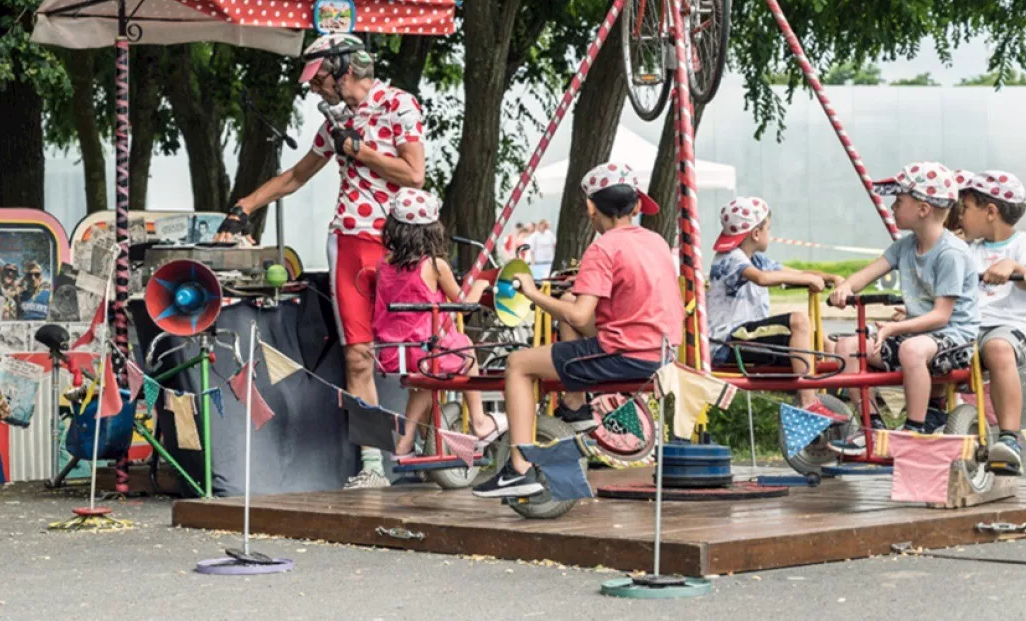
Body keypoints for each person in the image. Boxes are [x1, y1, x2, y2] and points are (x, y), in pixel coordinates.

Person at [219, 33, 425, 489]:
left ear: (343, 69)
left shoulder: (398, 104)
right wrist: (245, 205)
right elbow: (295, 176)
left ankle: (429, 444)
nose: (315, 88)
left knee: (418, 350)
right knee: (358, 356)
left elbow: (414, 174)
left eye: (320, 78)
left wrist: (360, 151)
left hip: (399, 242)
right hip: (349, 240)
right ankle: (373, 465)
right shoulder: (334, 124)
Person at [473, 163, 683, 498]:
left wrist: (532, 292)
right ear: (637, 206)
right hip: (661, 350)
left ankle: (518, 468)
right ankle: (575, 406)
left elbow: (580, 312)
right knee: (570, 302)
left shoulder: (602, 247)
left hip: (626, 354)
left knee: (518, 364)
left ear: (590, 207)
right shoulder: (655, 241)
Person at [828, 162, 979, 454]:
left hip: (954, 338)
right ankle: (870, 426)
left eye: (899, 201)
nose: (893, 207)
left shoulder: (951, 254)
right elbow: (869, 272)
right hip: (917, 336)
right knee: (848, 346)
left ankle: (915, 428)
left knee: (911, 350)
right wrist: (846, 287)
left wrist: (895, 327)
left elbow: (941, 316)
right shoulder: (904, 246)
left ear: (923, 209)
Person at [372, 188, 508, 459]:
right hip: (426, 350)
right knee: (466, 347)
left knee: (426, 380)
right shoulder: (435, 265)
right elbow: (464, 306)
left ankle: (405, 443)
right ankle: (480, 422)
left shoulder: (384, 263)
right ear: (432, 230)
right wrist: (480, 284)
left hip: (393, 351)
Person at [707, 196, 843, 414]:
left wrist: (831, 277)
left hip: (746, 338)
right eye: (768, 228)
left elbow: (795, 273)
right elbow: (762, 279)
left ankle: (828, 403)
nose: (770, 234)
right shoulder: (730, 257)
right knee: (799, 320)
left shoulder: (756, 259)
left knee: (823, 341)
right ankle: (808, 403)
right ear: (756, 233)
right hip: (727, 342)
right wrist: (808, 281)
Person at [956, 170, 1026, 475]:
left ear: (991, 212)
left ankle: (1009, 438)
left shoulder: (1025, 242)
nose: (961, 216)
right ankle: (929, 419)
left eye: (966, 209)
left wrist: (1013, 267)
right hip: (967, 328)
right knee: (928, 347)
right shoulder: (970, 248)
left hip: (1006, 330)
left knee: (996, 348)